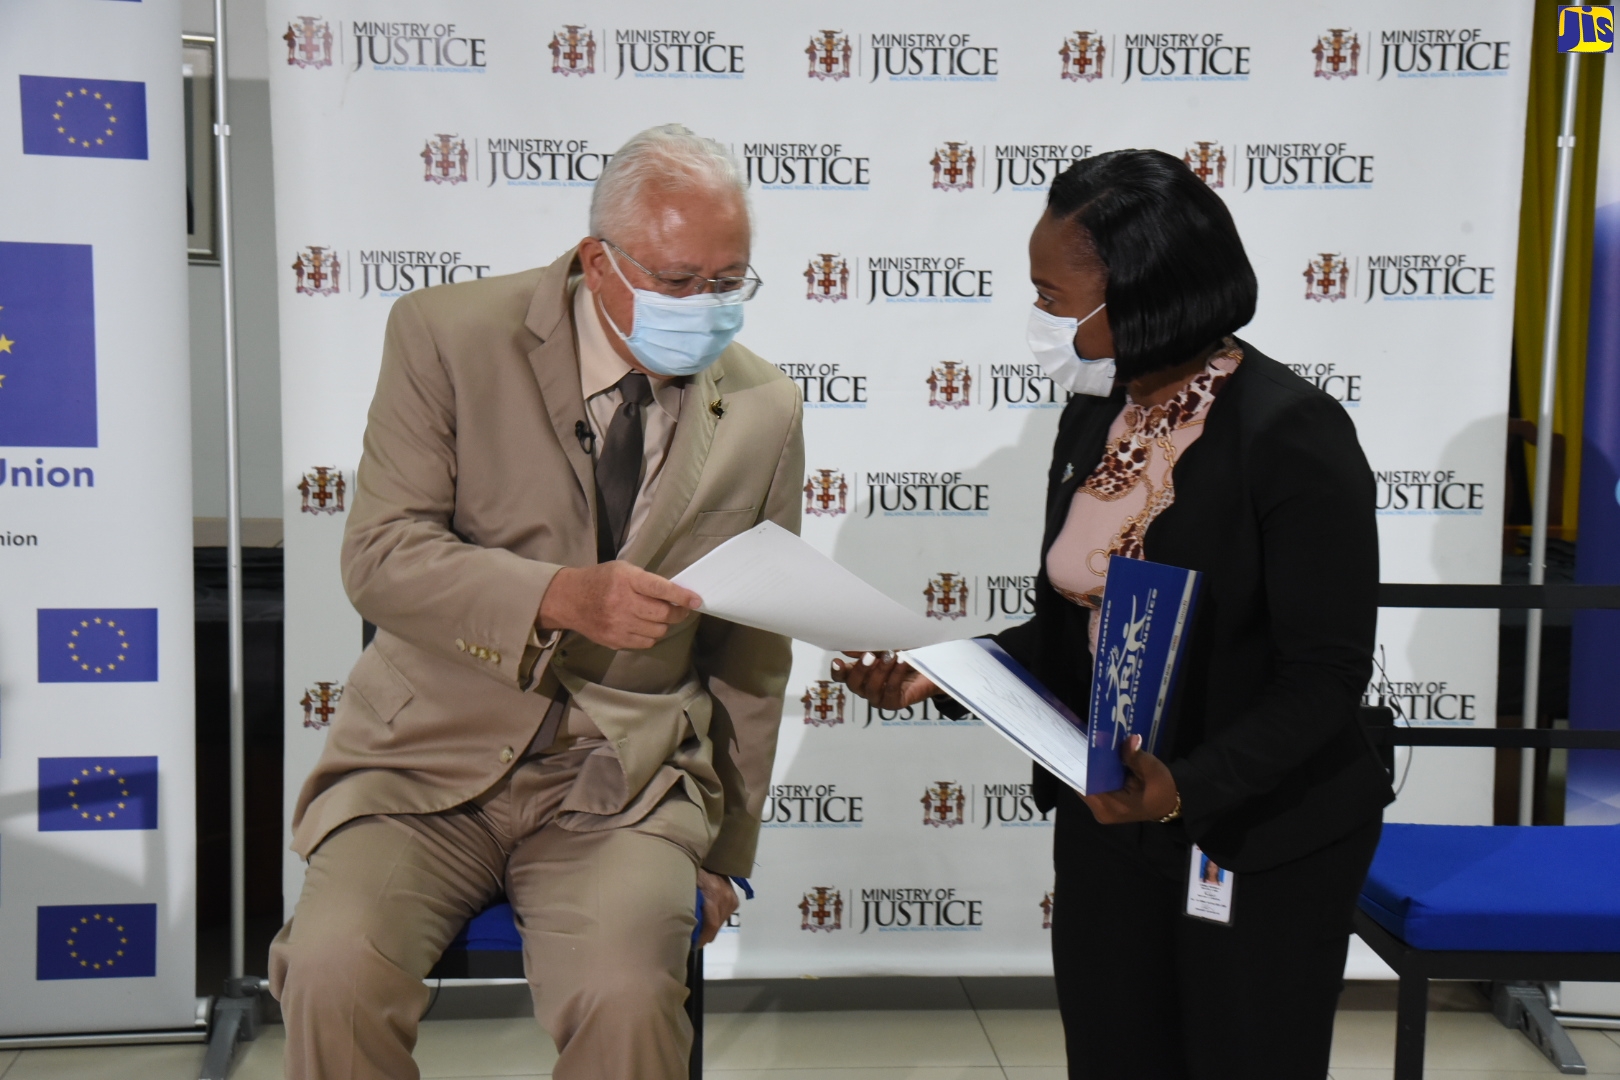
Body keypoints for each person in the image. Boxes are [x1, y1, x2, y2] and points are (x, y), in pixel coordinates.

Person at [834, 149, 1393, 1079]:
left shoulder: (1293, 434)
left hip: (1251, 835)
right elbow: (1067, 633)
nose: (1042, 319)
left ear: (1142, 290)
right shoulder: (1095, 418)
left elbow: (1326, 677)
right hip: (1108, 819)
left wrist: (1187, 786)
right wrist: (942, 670)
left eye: (1055, 297)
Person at [268, 124, 804, 1080]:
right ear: (600, 263)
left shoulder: (765, 408)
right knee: (331, 972)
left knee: (629, 1000)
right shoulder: (446, 335)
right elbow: (381, 556)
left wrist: (725, 855)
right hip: (424, 763)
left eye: (732, 283)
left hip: (625, 782)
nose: (710, 309)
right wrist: (556, 597)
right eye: (681, 283)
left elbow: (753, 649)